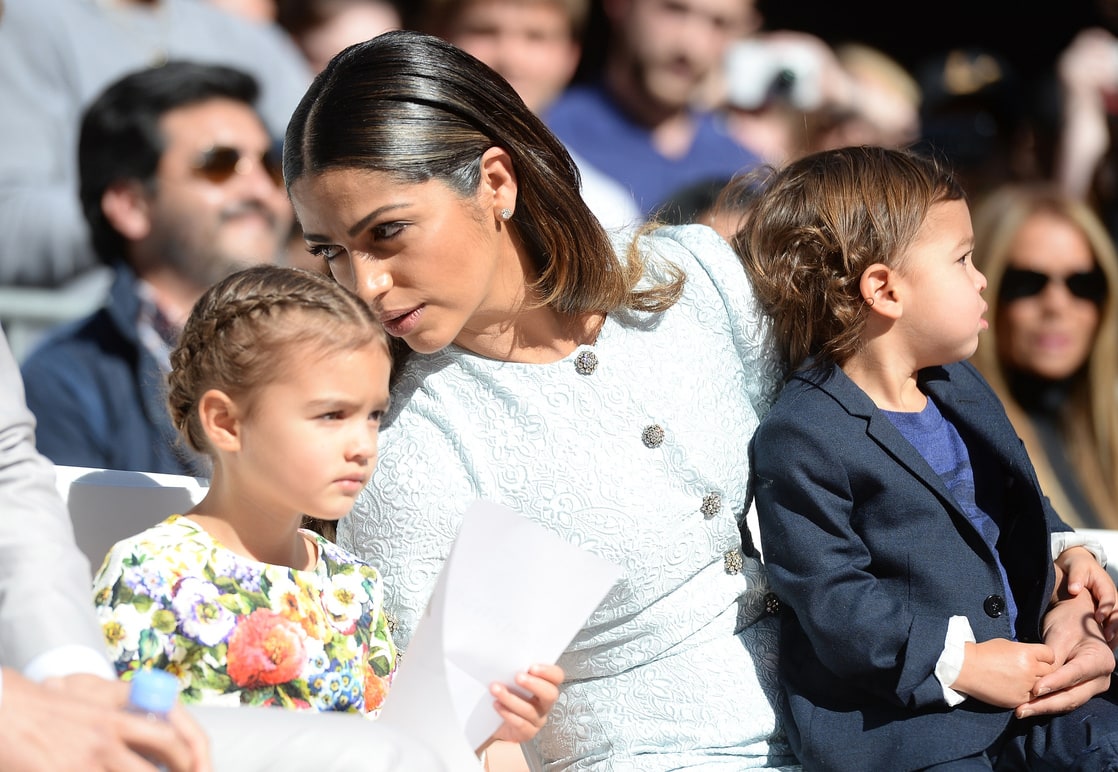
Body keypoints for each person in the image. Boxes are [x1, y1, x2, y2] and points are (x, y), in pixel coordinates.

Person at [284, 29, 797, 770]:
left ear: (496, 182)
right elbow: (436, 739)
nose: (362, 284)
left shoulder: (698, 279)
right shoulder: (407, 444)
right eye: (328, 250)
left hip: (867, 722)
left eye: (386, 233)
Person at [737, 145, 1118, 770]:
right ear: (884, 289)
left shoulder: (957, 385)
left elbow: (1019, 500)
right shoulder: (802, 435)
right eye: (963, 259)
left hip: (1023, 694)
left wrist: (1069, 552)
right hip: (905, 732)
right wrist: (965, 664)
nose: (981, 277)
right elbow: (834, 602)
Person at [92, 265, 563, 754]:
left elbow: (391, 749)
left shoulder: (352, 585)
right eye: (331, 415)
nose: (362, 444)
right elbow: (101, 750)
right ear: (226, 422)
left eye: (373, 415)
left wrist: (485, 733)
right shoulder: (149, 573)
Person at [20, 61, 293, 477]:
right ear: (131, 205)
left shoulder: (343, 343)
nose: (259, 189)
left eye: (271, 164)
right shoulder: (60, 383)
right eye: (219, 164)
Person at [0, 0, 310, 288]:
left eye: (267, 167)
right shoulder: (32, 23)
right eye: (217, 164)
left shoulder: (246, 37)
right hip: (98, 318)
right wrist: (157, 201)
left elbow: (316, 165)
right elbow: (11, 225)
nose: (253, 186)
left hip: (251, 308)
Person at [970, 183, 1118, 530]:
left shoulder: (1107, 429)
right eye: (1027, 283)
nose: (1057, 304)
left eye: (1083, 284)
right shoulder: (965, 448)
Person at [420, 0, 642, 232]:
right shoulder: (391, 174)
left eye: (536, 36)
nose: (511, 59)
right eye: (484, 31)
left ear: (571, 55)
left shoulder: (607, 213)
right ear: (440, 39)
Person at [542, 0, 763, 218]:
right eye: (674, 9)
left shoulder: (747, 172)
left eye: (719, 23)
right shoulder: (546, 143)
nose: (691, 46)